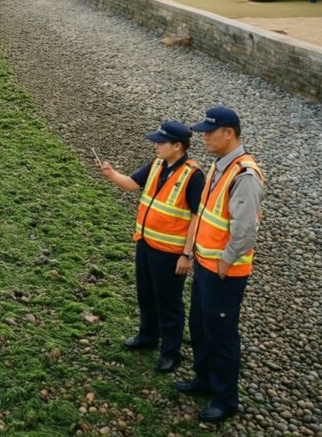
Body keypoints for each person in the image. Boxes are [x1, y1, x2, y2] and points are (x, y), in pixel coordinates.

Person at [175, 106, 265, 423]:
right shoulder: (220, 165)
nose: (204, 137)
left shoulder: (244, 175)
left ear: (229, 133)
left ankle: (225, 400)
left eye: (210, 132)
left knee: (222, 335)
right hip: (205, 266)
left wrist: (225, 262)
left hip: (223, 273)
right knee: (200, 325)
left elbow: (245, 231)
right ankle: (204, 379)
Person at [98, 121, 205, 373]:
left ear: (177, 146)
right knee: (146, 295)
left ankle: (171, 352)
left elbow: (196, 218)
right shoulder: (157, 164)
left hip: (170, 253)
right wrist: (110, 173)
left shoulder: (193, 175)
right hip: (145, 244)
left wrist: (187, 254)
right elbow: (132, 184)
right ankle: (147, 336)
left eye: (160, 142)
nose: (155, 145)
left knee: (169, 303)